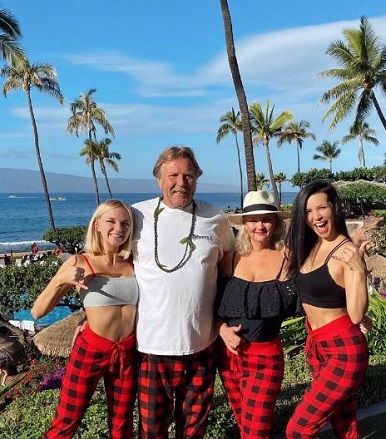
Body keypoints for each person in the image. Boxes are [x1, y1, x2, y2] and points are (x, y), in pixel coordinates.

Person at [132, 146, 235, 438]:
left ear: (197, 177)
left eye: (189, 175)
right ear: (158, 180)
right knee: (152, 431)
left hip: (202, 345)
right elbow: (111, 264)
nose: (181, 182)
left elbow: (227, 268)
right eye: (173, 175)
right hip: (153, 348)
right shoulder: (136, 215)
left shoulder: (215, 217)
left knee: (194, 431)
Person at [31, 199, 139, 439]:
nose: (118, 229)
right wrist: (61, 279)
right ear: (97, 225)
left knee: (122, 426)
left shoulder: (135, 262)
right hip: (91, 349)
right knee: (66, 422)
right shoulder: (79, 261)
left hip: (127, 351)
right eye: (111, 221)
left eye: (125, 223)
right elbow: (37, 312)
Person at [284, 180, 370, 439]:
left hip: (344, 351)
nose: (315, 217)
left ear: (334, 208)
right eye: (308, 211)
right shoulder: (311, 246)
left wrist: (360, 270)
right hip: (319, 346)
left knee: (298, 430)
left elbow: (355, 315)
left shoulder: (347, 253)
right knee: (343, 420)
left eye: (321, 208)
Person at [215, 190, 299, 439]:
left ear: (276, 223)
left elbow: (318, 289)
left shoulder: (288, 259)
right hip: (229, 356)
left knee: (256, 431)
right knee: (243, 424)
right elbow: (209, 305)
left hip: (266, 357)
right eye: (253, 220)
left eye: (266, 219)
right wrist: (222, 330)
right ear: (244, 224)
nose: (259, 225)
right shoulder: (228, 260)